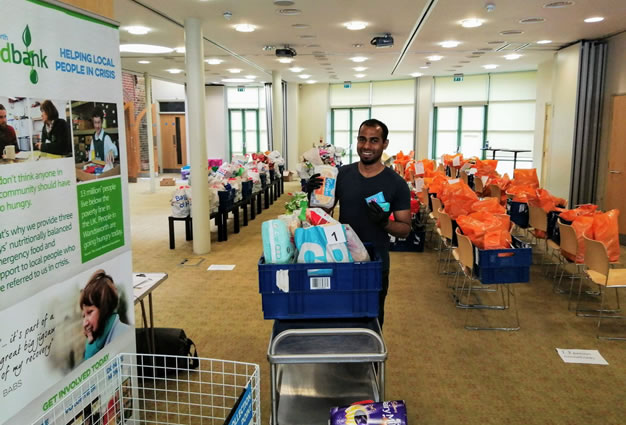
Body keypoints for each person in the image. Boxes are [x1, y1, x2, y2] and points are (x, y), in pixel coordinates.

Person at [307, 119, 411, 327]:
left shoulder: (396, 183)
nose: (366, 146)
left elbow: (405, 230)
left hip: (376, 259)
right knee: (341, 310)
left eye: (374, 141)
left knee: (372, 313)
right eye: (362, 139)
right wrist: (312, 195)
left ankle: (372, 357)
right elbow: (322, 214)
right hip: (341, 255)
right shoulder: (343, 174)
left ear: (385, 144)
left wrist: (384, 223)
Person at [80, 270, 131, 360]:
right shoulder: (94, 340)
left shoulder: (123, 335)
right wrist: (90, 342)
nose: (85, 323)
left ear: (105, 309)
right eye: (83, 316)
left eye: (90, 312)